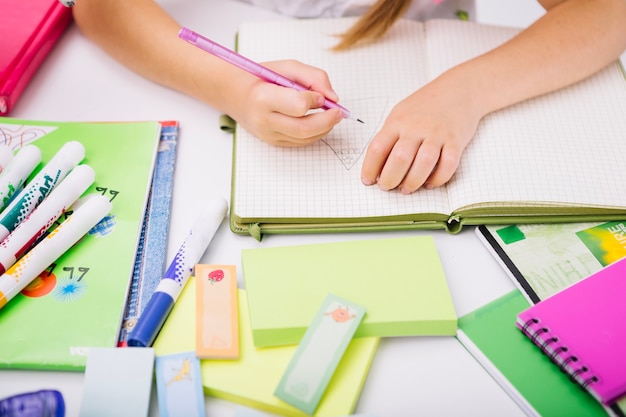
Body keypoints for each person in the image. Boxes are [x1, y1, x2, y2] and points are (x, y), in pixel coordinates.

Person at [73, 0, 626, 194]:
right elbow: (101, 8)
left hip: (433, 39)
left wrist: (464, 90)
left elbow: (607, 11)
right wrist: (235, 88)